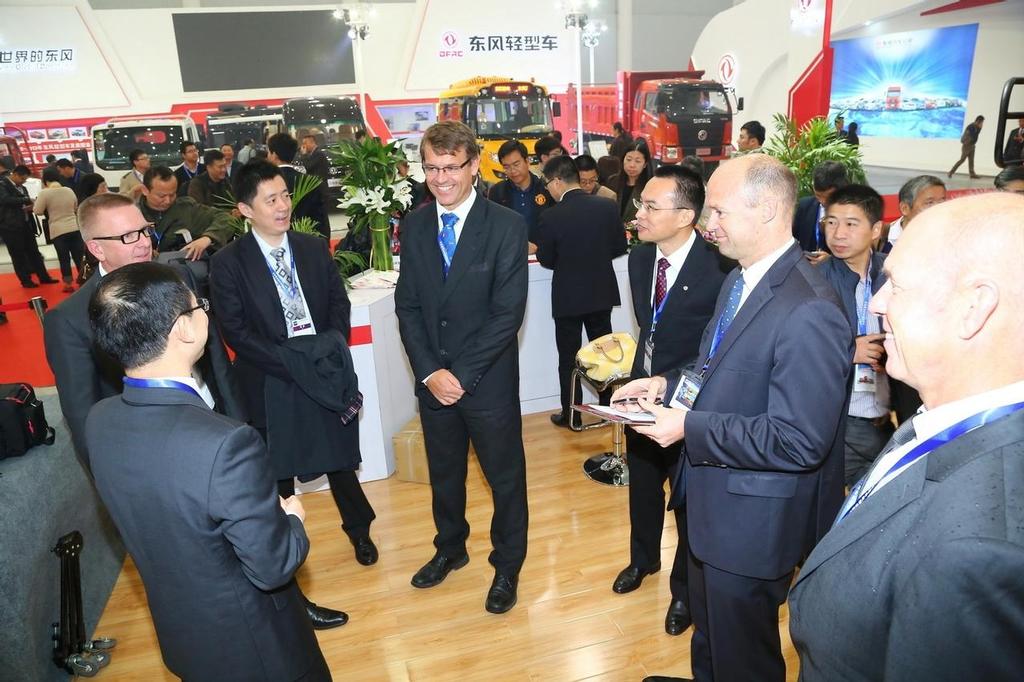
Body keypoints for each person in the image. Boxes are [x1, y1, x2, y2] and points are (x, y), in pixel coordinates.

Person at [615, 154, 851, 682]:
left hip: (751, 524)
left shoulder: (808, 308)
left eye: (717, 211)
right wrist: (665, 385)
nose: (707, 223)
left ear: (766, 211)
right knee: (712, 642)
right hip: (710, 505)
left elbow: (799, 440)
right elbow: (711, 367)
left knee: (743, 658)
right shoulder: (739, 279)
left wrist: (686, 427)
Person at [789, 192, 1024, 681]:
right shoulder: (937, 419)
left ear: (974, 307)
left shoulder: (979, 548)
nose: (877, 303)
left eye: (896, 285)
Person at [84, 261, 330, 682]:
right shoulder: (225, 443)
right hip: (258, 650)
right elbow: (272, 566)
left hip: (187, 640)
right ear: (184, 329)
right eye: (201, 307)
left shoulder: (100, 419)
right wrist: (291, 520)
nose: (206, 314)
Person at [210, 160, 378, 578]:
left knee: (339, 458)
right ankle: (280, 544)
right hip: (270, 375)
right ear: (246, 210)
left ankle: (360, 531)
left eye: (285, 194)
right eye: (271, 199)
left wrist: (332, 346)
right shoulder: (229, 262)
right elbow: (236, 331)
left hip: (321, 364)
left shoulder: (311, 246)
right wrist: (289, 362)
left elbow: (338, 303)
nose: (283, 205)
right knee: (277, 466)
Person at [394, 121, 529, 614]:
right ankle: (449, 549)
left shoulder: (507, 226)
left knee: (505, 478)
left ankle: (508, 565)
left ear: (474, 166)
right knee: (445, 475)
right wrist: (431, 372)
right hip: (434, 383)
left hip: (486, 382)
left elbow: (506, 314)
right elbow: (407, 306)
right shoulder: (414, 224)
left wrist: (460, 375)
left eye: (451, 167)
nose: (440, 178)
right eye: (431, 167)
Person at [43, 191, 245, 469]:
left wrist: (238, 421)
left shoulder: (179, 276)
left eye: (144, 231)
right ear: (96, 249)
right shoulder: (70, 320)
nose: (142, 244)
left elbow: (216, 357)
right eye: (128, 236)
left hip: (216, 423)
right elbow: (83, 416)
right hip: (152, 456)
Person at [613, 165, 730, 639]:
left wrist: (671, 382)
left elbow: (716, 345)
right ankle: (642, 561)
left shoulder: (720, 265)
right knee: (642, 487)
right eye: (640, 203)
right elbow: (650, 328)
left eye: (649, 206)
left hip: (689, 400)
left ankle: (684, 590)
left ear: (686, 215)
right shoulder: (641, 260)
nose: (638, 214)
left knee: (686, 501)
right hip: (645, 392)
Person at [535, 155, 627, 427]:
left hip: (568, 297)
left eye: (547, 183)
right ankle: (608, 408)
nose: (547, 189)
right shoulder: (606, 206)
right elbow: (619, 247)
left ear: (558, 181)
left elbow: (546, 260)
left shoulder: (550, 216)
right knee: (606, 354)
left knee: (569, 358)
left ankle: (571, 413)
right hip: (601, 292)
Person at [817, 184, 894, 486]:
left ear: (876, 229)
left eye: (851, 224)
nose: (837, 234)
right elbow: (790, 350)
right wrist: (848, 352)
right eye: (831, 222)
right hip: (838, 422)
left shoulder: (892, 275)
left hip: (885, 419)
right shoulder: (814, 282)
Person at [138, 166, 235, 260]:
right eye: (161, 196)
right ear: (145, 190)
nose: (168, 200)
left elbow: (226, 218)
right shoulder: (132, 214)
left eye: (172, 194)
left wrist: (208, 238)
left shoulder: (187, 208)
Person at [486, 139, 552, 251]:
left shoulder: (546, 189)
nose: (512, 171)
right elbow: (493, 229)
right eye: (506, 167)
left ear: (527, 161)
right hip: (508, 255)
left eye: (516, 164)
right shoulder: (496, 192)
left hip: (543, 256)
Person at [1, 162, 58, 288]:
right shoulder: (2, 185)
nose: (23, 181)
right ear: (15, 174)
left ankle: (44, 277)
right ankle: (25, 280)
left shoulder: (21, 187)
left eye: (25, 179)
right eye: (22, 178)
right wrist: (27, 200)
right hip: (10, 226)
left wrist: (30, 207)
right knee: (18, 255)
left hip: (26, 223)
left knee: (34, 252)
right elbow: (5, 200)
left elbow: (21, 202)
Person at [267, 133, 330, 239]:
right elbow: (321, 217)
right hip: (309, 239)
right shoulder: (310, 182)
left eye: (268, 152)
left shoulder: (267, 184)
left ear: (274, 155)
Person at [33, 167, 85, 292]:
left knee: (64, 258)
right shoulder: (68, 190)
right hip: (74, 227)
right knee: (79, 257)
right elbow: (75, 207)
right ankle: (84, 281)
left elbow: (38, 211)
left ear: (45, 181)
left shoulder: (44, 193)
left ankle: (68, 284)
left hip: (58, 230)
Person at [792, 160, 849, 260]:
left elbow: (861, 257)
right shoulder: (804, 207)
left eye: (828, 197)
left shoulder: (856, 214)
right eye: (818, 196)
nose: (823, 201)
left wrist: (831, 261)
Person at [883, 175, 945, 252]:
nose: (939, 208)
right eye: (930, 203)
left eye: (942, 202)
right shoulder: (880, 239)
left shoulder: (952, 236)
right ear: (905, 208)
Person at [610, 141, 653, 225]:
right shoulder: (613, 181)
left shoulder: (650, 186)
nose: (632, 165)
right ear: (623, 160)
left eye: (637, 161)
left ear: (645, 164)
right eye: (628, 159)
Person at [949, 114, 984, 179]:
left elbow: (976, 136)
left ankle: (972, 174)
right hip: (967, 146)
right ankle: (951, 172)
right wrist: (979, 128)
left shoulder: (976, 127)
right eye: (982, 122)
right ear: (978, 121)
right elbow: (970, 137)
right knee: (962, 160)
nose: (982, 123)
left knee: (971, 161)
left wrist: (979, 128)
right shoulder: (971, 127)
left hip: (972, 145)